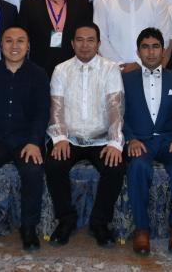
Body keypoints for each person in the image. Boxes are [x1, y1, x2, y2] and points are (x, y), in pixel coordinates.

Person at [0, 26, 51, 252]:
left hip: (26, 139)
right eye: (9, 41)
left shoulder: (39, 74)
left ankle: (29, 226)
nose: (15, 46)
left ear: (28, 45)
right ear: (1, 44)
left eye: (20, 41)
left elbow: (42, 112)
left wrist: (34, 141)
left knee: (33, 170)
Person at [45, 22, 125, 248]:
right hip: (70, 138)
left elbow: (115, 108)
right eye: (79, 40)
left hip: (101, 138)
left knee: (115, 166)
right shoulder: (61, 69)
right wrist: (60, 138)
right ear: (72, 43)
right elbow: (56, 108)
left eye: (90, 40)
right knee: (53, 164)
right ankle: (66, 220)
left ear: (99, 44)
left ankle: (99, 223)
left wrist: (114, 142)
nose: (85, 45)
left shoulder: (110, 68)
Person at [122, 28, 172, 255]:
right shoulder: (125, 80)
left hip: (168, 141)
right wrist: (130, 139)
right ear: (138, 52)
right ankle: (141, 230)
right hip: (140, 141)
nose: (151, 51)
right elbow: (119, 116)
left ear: (163, 51)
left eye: (156, 46)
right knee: (137, 166)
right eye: (145, 47)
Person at [94, 0, 172, 73]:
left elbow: (164, 37)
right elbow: (101, 38)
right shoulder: (104, 1)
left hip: (149, 69)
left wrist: (139, 64)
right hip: (114, 72)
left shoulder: (157, 0)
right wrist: (120, 65)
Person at [17, 0, 93, 76]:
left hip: (75, 70)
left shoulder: (82, 4)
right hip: (39, 70)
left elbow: (88, 37)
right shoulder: (28, 5)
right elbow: (22, 39)